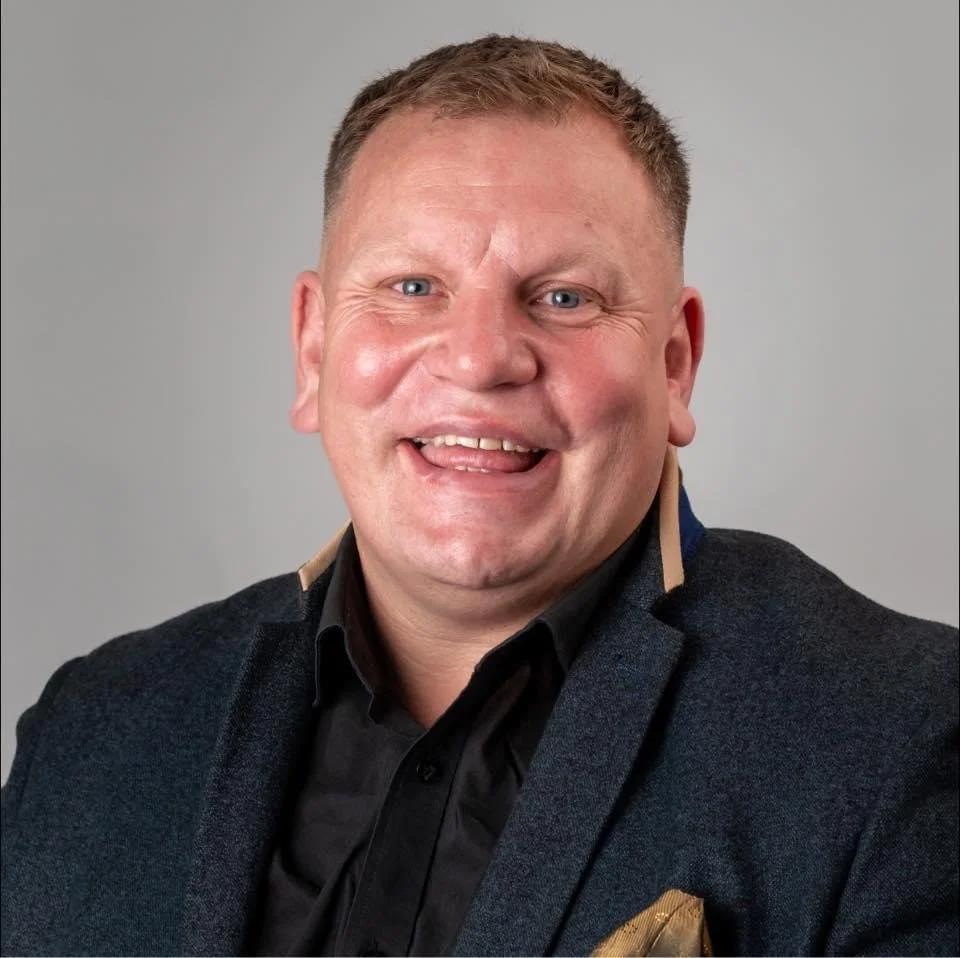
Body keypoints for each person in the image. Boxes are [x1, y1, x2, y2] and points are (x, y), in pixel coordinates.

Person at [1, 34, 957, 957]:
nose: (480, 359)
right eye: (413, 286)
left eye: (565, 298)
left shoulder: (897, 738)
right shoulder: (95, 733)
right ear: (312, 349)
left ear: (676, 364)